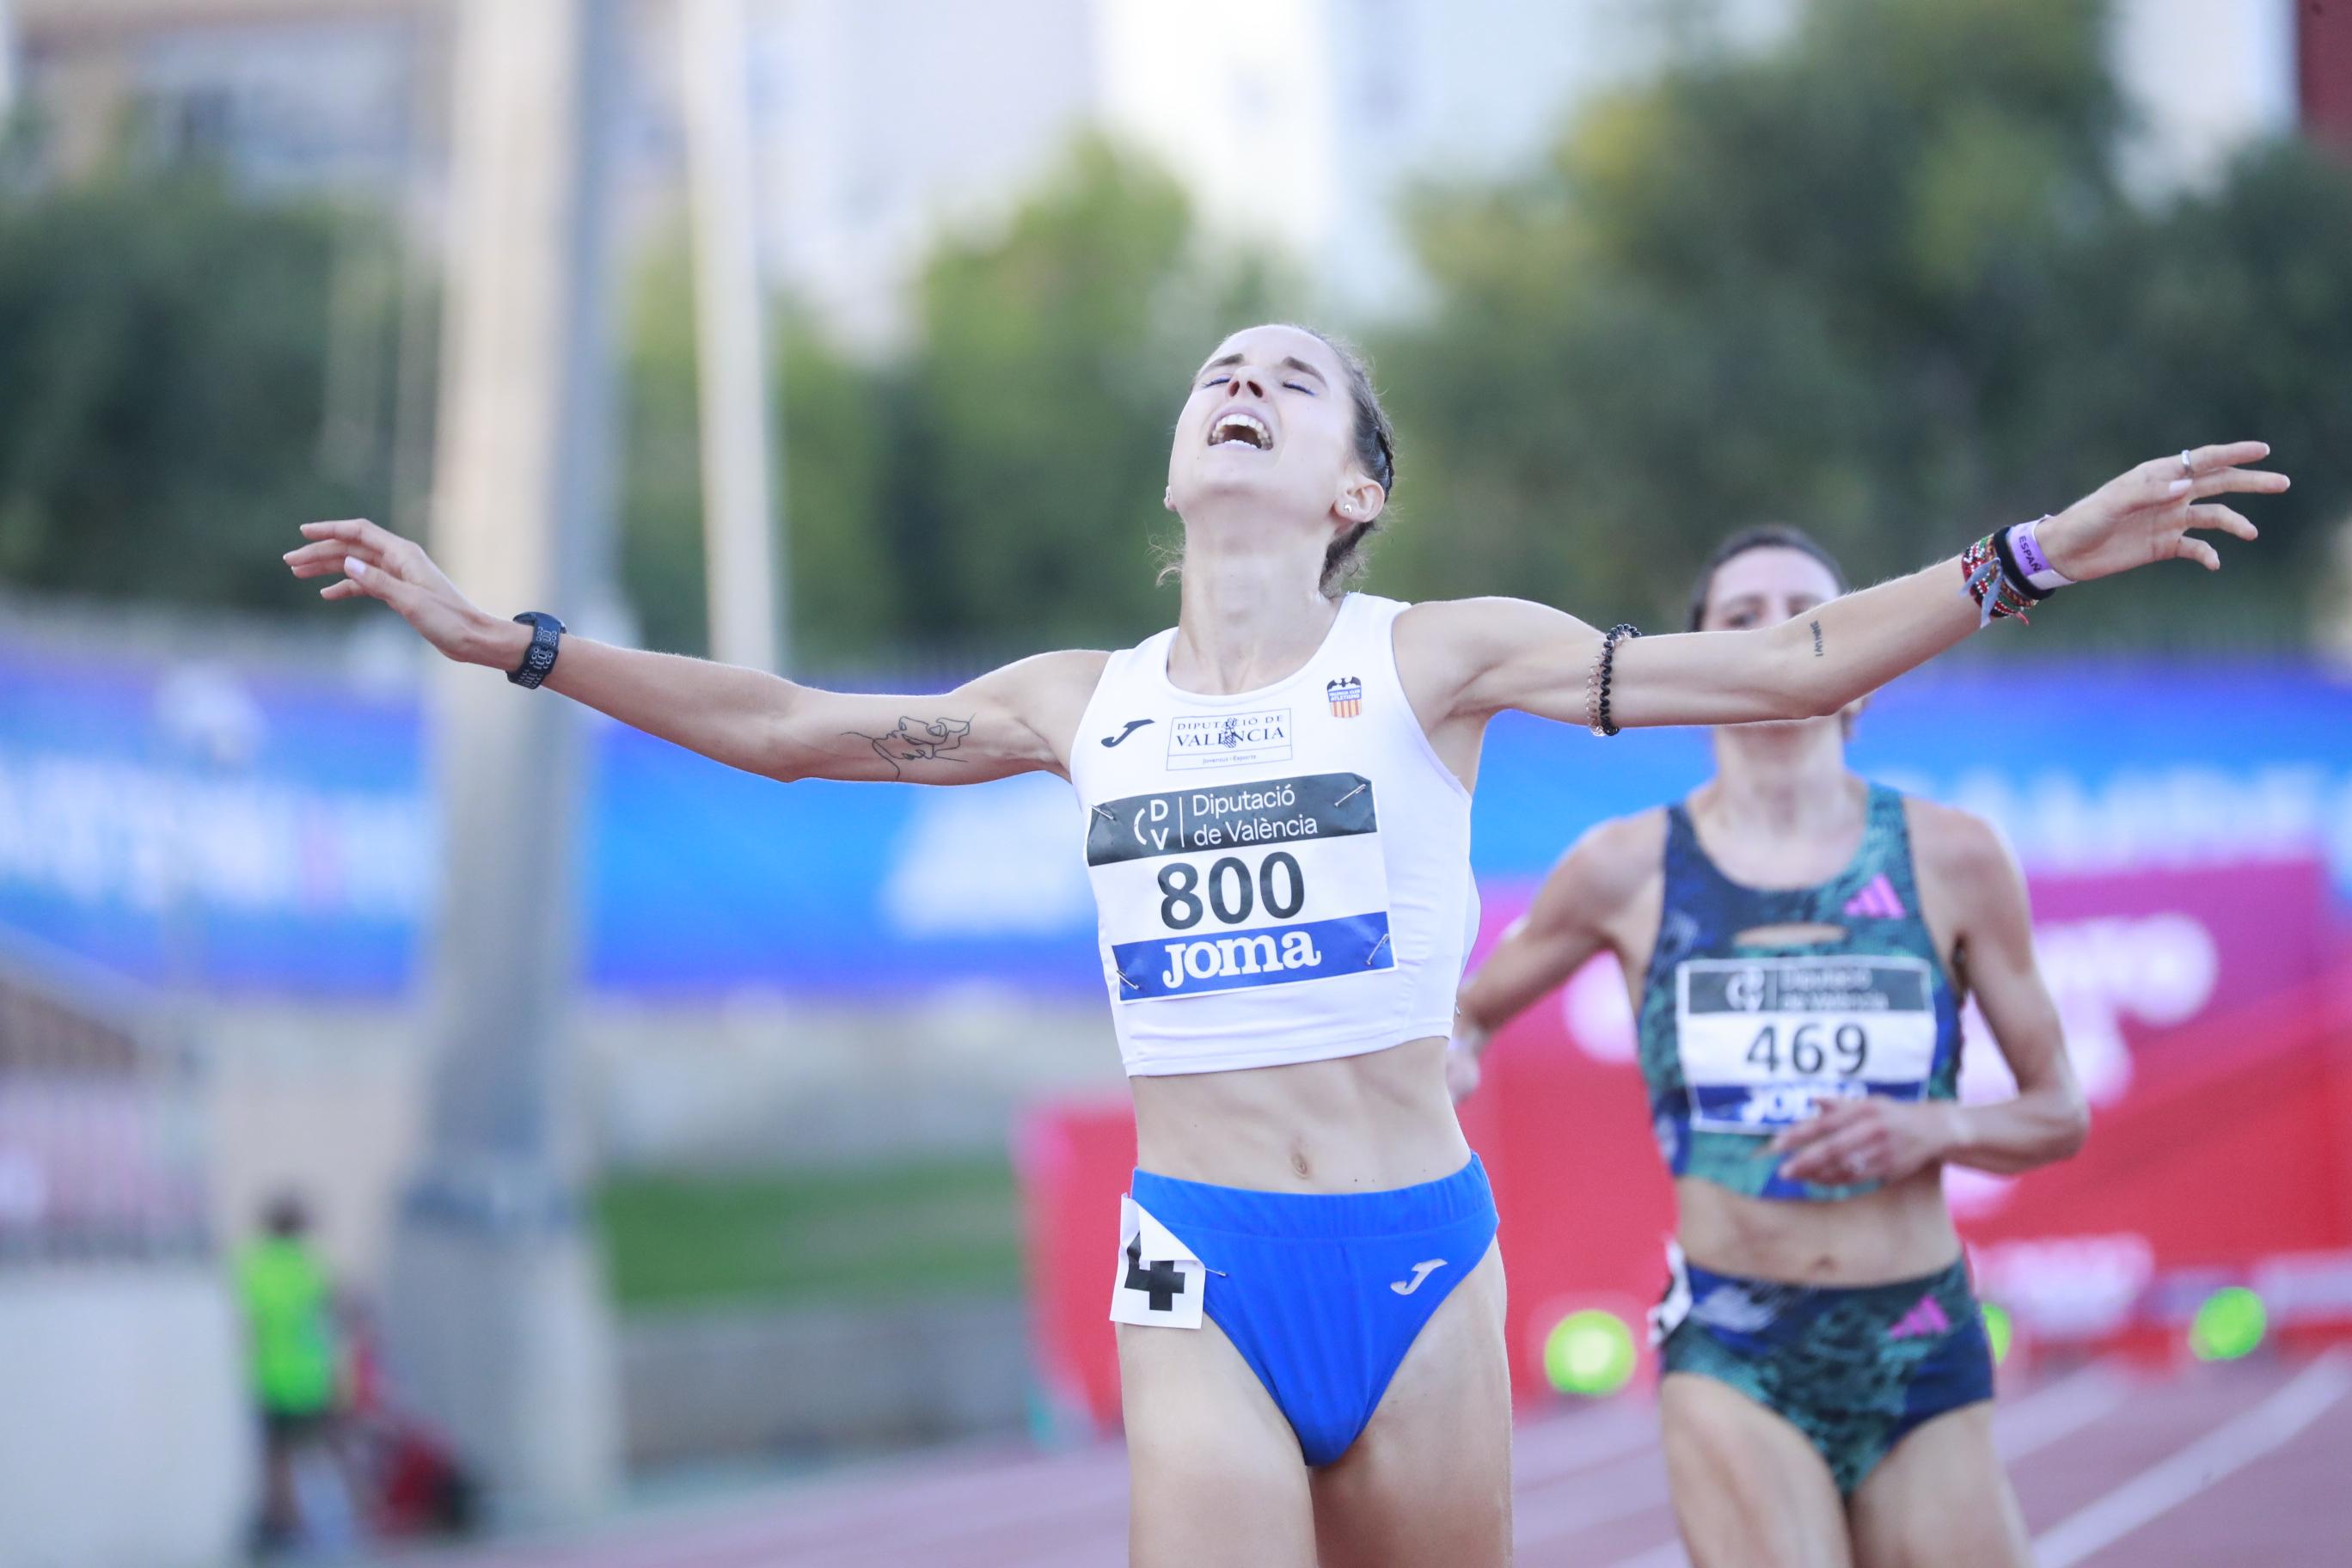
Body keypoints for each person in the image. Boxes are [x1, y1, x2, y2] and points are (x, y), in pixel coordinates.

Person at [285, 322, 2281, 1567]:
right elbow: (793, 732)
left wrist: (2024, 552)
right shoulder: (1081, 698)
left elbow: (1795, 652)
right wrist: (514, 640)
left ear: (1350, 488)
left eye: (1289, 373)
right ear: (1178, 463)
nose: (1236, 379)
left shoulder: (1435, 658)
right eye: (1212, 368)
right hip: (1201, 1264)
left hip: (1413, 1259)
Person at [1451, 524, 2098, 1567]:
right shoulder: (1625, 869)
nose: (1782, 635)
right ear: (1700, 664)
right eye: (1741, 620)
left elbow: (2058, 1111)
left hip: (1917, 1333)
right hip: (1735, 1346)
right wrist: (1447, 1059)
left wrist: (1933, 1126)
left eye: (1811, 614)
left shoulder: (1956, 856)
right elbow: (1470, 1013)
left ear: (1867, 667)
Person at [236, 1191, 354, 1553]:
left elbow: (247, 1323)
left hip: (270, 1377)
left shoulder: (252, 1267)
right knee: (328, 1451)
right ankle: (345, 1520)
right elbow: (334, 1319)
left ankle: (286, 1523)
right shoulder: (312, 1266)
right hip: (312, 1377)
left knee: (277, 1458)